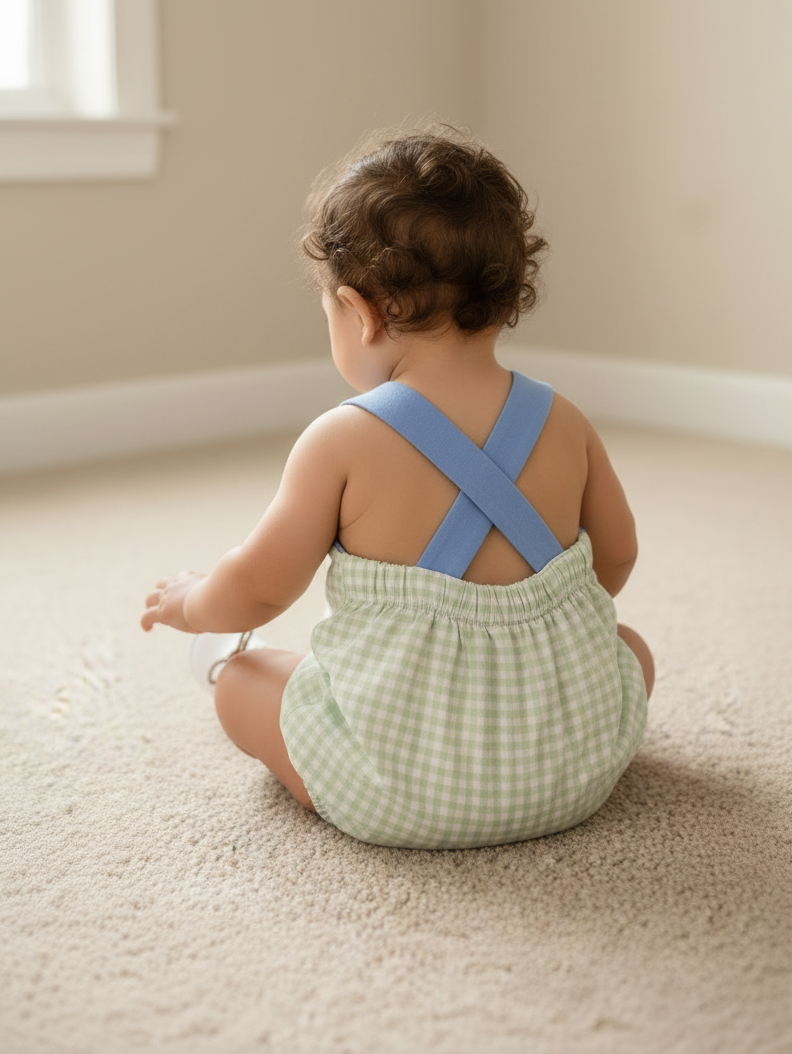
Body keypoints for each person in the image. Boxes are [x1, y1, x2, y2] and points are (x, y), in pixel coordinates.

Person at [141, 125, 654, 850]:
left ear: (362, 311)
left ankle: (303, 740)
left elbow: (257, 588)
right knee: (628, 648)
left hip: (400, 788)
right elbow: (616, 561)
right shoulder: (564, 421)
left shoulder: (341, 439)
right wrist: (545, 643)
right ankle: (551, 748)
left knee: (246, 676)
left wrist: (194, 601)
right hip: (573, 772)